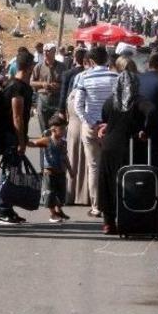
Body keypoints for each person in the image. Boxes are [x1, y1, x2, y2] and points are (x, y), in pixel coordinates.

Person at [97, 56, 153, 235]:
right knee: (129, 184)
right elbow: (152, 111)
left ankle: (108, 222)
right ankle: (129, 218)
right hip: (130, 146)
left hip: (109, 146)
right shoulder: (138, 101)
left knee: (108, 184)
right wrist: (145, 130)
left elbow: (105, 118)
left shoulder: (110, 101)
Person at [73, 45, 118, 218]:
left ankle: (96, 206)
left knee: (94, 167)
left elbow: (78, 105)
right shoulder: (116, 77)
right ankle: (112, 204)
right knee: (112, 166)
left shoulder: (84, 77)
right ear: (106, 59)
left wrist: (90, 122)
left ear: (90, 61)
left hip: (91, 127)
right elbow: (121, 102)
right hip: (111, 128)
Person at [0, 50, 36, 225]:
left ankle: (7, 209)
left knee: (12, 172)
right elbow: (17, 116)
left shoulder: (16, 85)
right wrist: (21, 140)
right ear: (29, 67)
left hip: (12, 136)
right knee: (8, 171)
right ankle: (2, 210)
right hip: (11, 136)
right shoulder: (17, 87)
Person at [61, 48, 91, 206]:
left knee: (73, 157)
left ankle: (70, 193)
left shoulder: (77, 77)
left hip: (74, 121)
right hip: (85, 121)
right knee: (87, 160)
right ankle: (85, 195)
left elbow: (69, 100)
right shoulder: (89, 78)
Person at [28, 113, 70, 223]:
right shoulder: (46, 140)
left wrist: (70, 170)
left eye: (64, 129)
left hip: (61, 172)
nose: (64, 131)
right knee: (50, 194)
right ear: (53, 129)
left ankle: (59, 210)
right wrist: (23, 141)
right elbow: (33, 143)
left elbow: (65, 157)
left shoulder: (63, 142)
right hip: (49, 173)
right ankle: (52, 214)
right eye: (62, 129)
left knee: (61, 194)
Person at [30, 43, 62, 131]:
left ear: (54, 52)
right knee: (44, 127)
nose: (45, 53)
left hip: (57, 99)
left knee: (57, 127)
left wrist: (58, 85)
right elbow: (31, 82)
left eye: (48, 51)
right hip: (43, 98)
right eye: (44, 51)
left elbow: (66, 83)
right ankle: (46, 142)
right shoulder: (38, 66)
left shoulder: (62, 67)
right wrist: (42, 84)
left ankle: (54, 144)